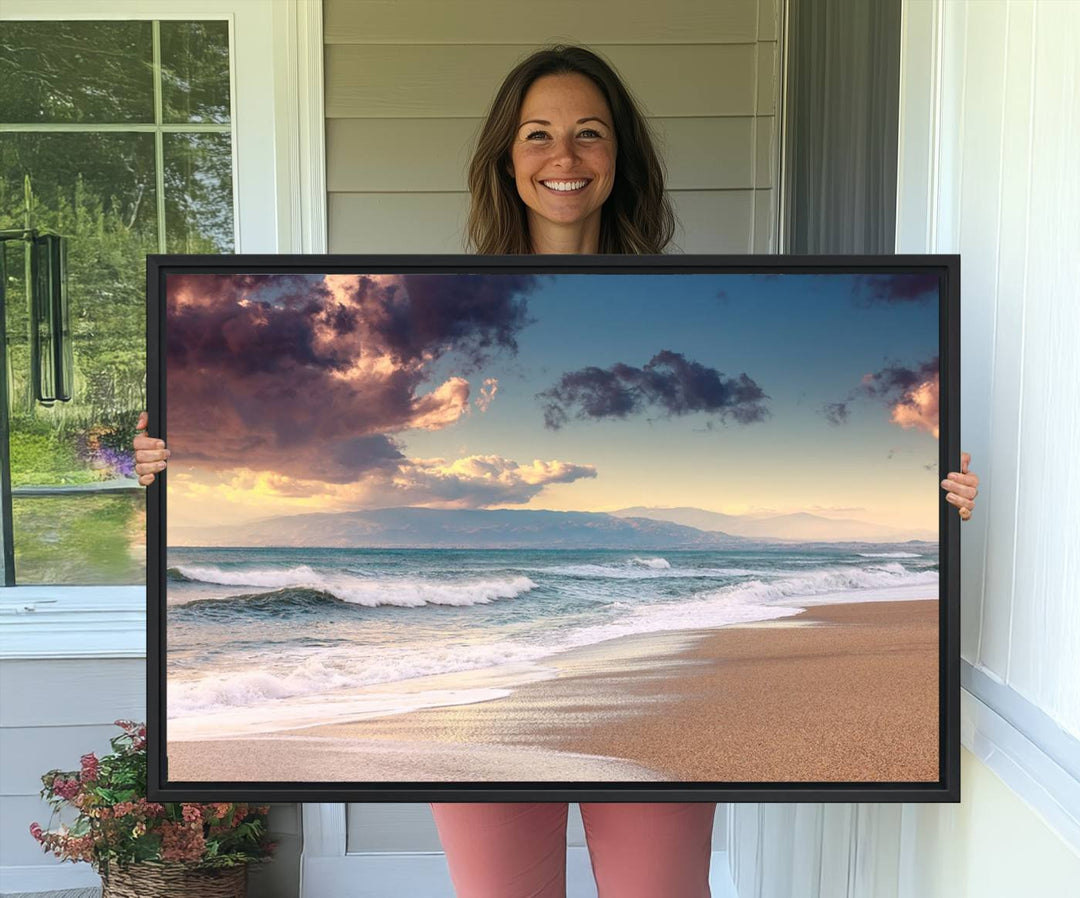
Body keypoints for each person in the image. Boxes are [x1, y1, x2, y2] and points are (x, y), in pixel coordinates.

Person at [133, 45, 980, 898]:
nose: (564, 157)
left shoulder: (683, 302)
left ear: (620, 158)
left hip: (640, 689)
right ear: (507, 157)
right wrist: (176, 462)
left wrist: (936, 490)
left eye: (589, 134)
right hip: (472, 676)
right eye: (538, 134)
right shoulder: (439, 303)